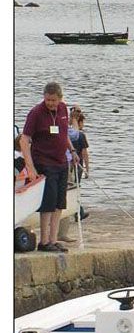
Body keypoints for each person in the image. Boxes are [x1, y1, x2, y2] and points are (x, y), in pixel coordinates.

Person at [19, 81, 77, 252]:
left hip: (61, 162)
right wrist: (30, 167)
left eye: (53, 100)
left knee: (60, 203)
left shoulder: (63, 109)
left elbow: (64, 133)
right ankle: (44, 242)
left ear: (60, 98)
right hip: (44, 162)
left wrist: (72, 150)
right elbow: (24, 139)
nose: (50, 103)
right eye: (48, 100)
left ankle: (53, 239)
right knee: (48, 204)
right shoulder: (36, 113)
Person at [67, 107, 90, 220]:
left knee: (70, 187)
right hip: (78, 164)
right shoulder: (80, 135)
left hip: (68, 163)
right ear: (79, 122)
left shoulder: (67, 134)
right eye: (82, 123)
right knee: (75, 188)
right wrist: (87, 168)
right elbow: (84, 153)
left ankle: (77, 211)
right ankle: (78, 212)